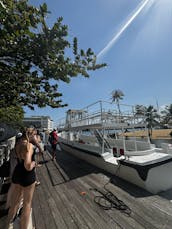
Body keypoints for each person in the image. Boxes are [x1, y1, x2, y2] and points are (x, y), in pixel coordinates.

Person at [7, 128, 37, 229]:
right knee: (27, 205)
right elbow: (28, 165)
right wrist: (33, 163)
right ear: (31, 135)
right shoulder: (29, 145)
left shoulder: (18, 143)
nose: (35, 137)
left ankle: (9, 224)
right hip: (27, 176)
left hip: (17, 174)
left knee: (14, 202)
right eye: (34, 135)